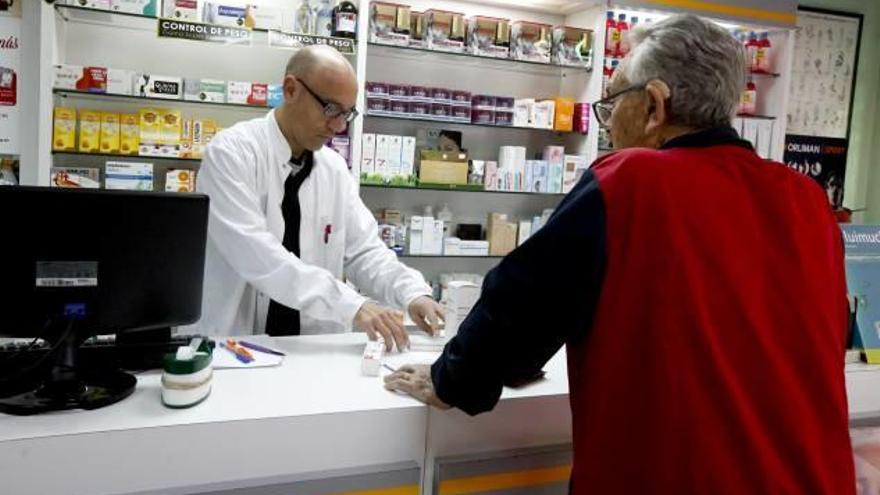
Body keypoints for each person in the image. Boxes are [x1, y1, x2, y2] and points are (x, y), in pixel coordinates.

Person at [385, 14, 855, 493]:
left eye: (611, 104)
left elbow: (521, 305)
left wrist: (452, 381)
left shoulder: (631, 181)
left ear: (654, 105)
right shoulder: (806, 199)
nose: (608, 125)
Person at [192, 45, 443, 350]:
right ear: (291, 89)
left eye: (347, 114)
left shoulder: (334, 169)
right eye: (330, 109)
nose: (338, 127)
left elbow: (365, 251)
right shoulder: (232, 153)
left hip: (311, 348)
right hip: (235, 346)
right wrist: (352, 304)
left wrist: (413, 292)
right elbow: (260, 257)